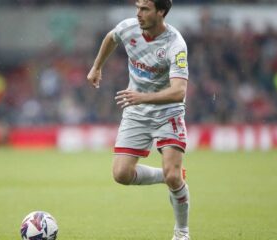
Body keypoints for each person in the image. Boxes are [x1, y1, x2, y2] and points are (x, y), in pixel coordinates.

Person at [87, 0, 190, 239]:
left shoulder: (175, 44)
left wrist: (142, 97)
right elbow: (111, 38)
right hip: (137, 111)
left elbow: (179, 92)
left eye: (145, 9)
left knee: (175, 177)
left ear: (161, 12)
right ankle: (166, 174)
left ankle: (182, 232)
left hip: (168, 112)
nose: (138, 14)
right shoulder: (129, 27)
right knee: (121, 174)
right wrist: (97, 67)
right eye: (137, 7)